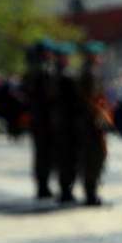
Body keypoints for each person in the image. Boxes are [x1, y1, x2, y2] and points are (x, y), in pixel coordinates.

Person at [23, 39, 56, 199]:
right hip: (46, 118)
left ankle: (42, 185)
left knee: (41, 154)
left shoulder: (31, 71)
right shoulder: (44, 71)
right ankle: (43, 187)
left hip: (38, 118)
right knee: (45, 154)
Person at [78, 41, 109, 206]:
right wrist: (100, 116)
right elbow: (92, 100)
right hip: (91, 122)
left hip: (92, 120)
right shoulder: (90, 73)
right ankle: (91, 194)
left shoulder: (90, 71)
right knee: (93, 157)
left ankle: (92, 192)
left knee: (95, 157)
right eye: (98, 55)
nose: (100, 58)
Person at [52, 42, 82, 203]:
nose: (67, 59)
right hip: (66, 123)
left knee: (63, 158)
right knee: (67, 158)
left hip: (59, 122)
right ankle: (66, 191)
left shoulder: (54, 73)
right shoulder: (65, 75)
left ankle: (65, 189)